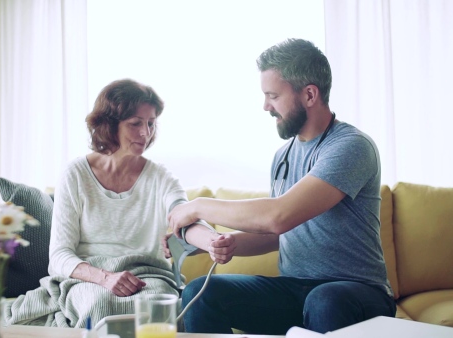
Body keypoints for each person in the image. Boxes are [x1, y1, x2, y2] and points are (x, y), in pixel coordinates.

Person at [167, 38, 396, 334]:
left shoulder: (350, 147)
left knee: (324, 299)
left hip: (358, 292)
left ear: (310, 94)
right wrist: (223, 244)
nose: (265, 106)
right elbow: (279, 233)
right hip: (295, 290)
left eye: (273, 96)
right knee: (204, 293)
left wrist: (196, 206)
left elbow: (278, 215)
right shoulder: (283, 156)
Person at [6, 79, 223, 328]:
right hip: (90, 278)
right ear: (109, 125)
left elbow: (184, 216)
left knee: (156, 310)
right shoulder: (76, 174)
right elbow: (59, 256)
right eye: (135, 124)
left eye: (151, 123)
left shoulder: (161, 177)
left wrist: (213, 241)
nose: (146, 133)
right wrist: (105, 278)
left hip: (148, 276)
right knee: (100, 306)